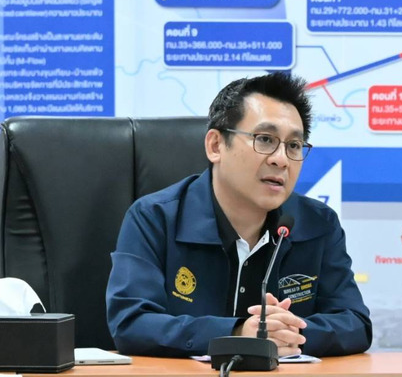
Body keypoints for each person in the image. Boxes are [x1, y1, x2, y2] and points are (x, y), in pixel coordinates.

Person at [106, 73, 372, 357]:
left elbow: (355, 323)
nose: (281, 159)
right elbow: (132, 322)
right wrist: (237, 333)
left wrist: (286, 333)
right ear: (215, 146)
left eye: (294, 145)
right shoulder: (154, 219)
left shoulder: (318, 223)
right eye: (265, 139)